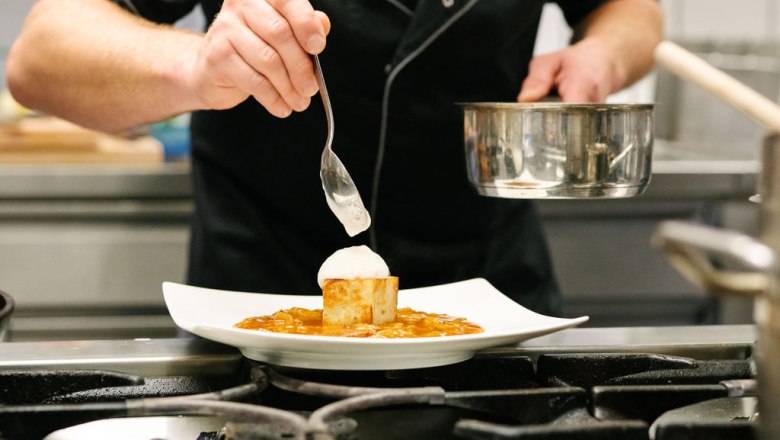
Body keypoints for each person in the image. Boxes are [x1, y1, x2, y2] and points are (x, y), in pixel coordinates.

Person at [7, 0, 662, 315]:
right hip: (260, 309)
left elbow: (631, 10)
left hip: (489, 301)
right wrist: (195, 65)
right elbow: (40, 55)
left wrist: (603, 53)